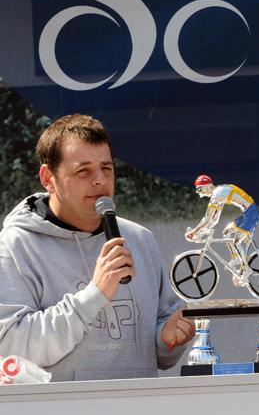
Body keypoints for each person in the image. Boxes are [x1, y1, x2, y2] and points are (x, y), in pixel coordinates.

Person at [0, 114, 195, 381]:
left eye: (107, 168)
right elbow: (11, 347)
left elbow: (161, 355)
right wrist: (95, 294)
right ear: (48, 178)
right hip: (61, 407)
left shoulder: (140, 239)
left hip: (141, 403)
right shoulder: (16, 246)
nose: (100, 180)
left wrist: (167, 339)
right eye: (83, 171)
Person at [185, 174, 259, 287]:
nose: (200, 193)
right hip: (249, 212)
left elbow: (208, 218)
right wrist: (200, 231)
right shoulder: (219, 193)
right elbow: (214, 220)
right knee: (227, 232)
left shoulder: (217, 195)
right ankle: (236, 258)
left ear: (207, 186)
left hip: (251, 215)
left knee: (236, 242)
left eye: (200, 189)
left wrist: (195, 232)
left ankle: (246, 269)